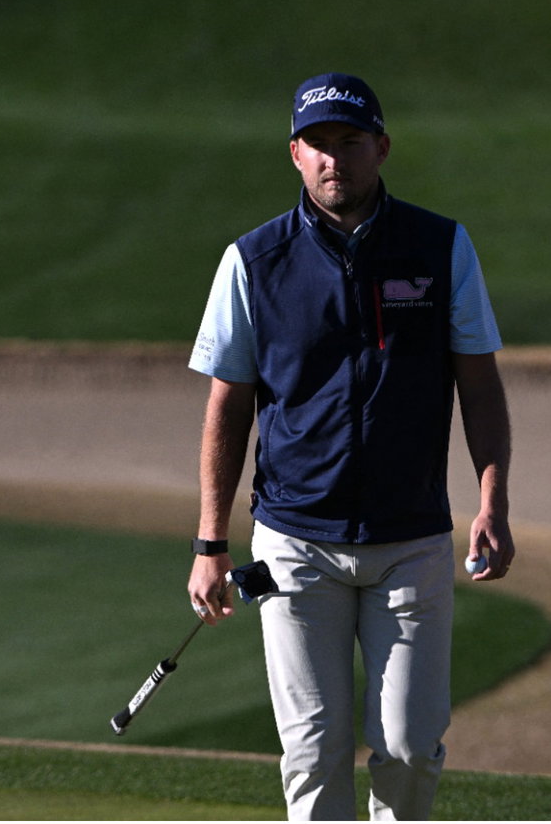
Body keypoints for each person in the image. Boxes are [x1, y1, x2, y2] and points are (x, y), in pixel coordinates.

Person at [186, 72, 515, 821]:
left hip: (411, 540)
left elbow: (480, 385)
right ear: (295, 155)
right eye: (320, 144)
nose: (336, 159)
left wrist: (492, 502)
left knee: (407, 747)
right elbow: (227, 407)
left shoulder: (439, 246)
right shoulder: (252, 262)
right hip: (295, 543)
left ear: (382, 148)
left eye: (351, 142)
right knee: (313, 750)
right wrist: (211, 541)